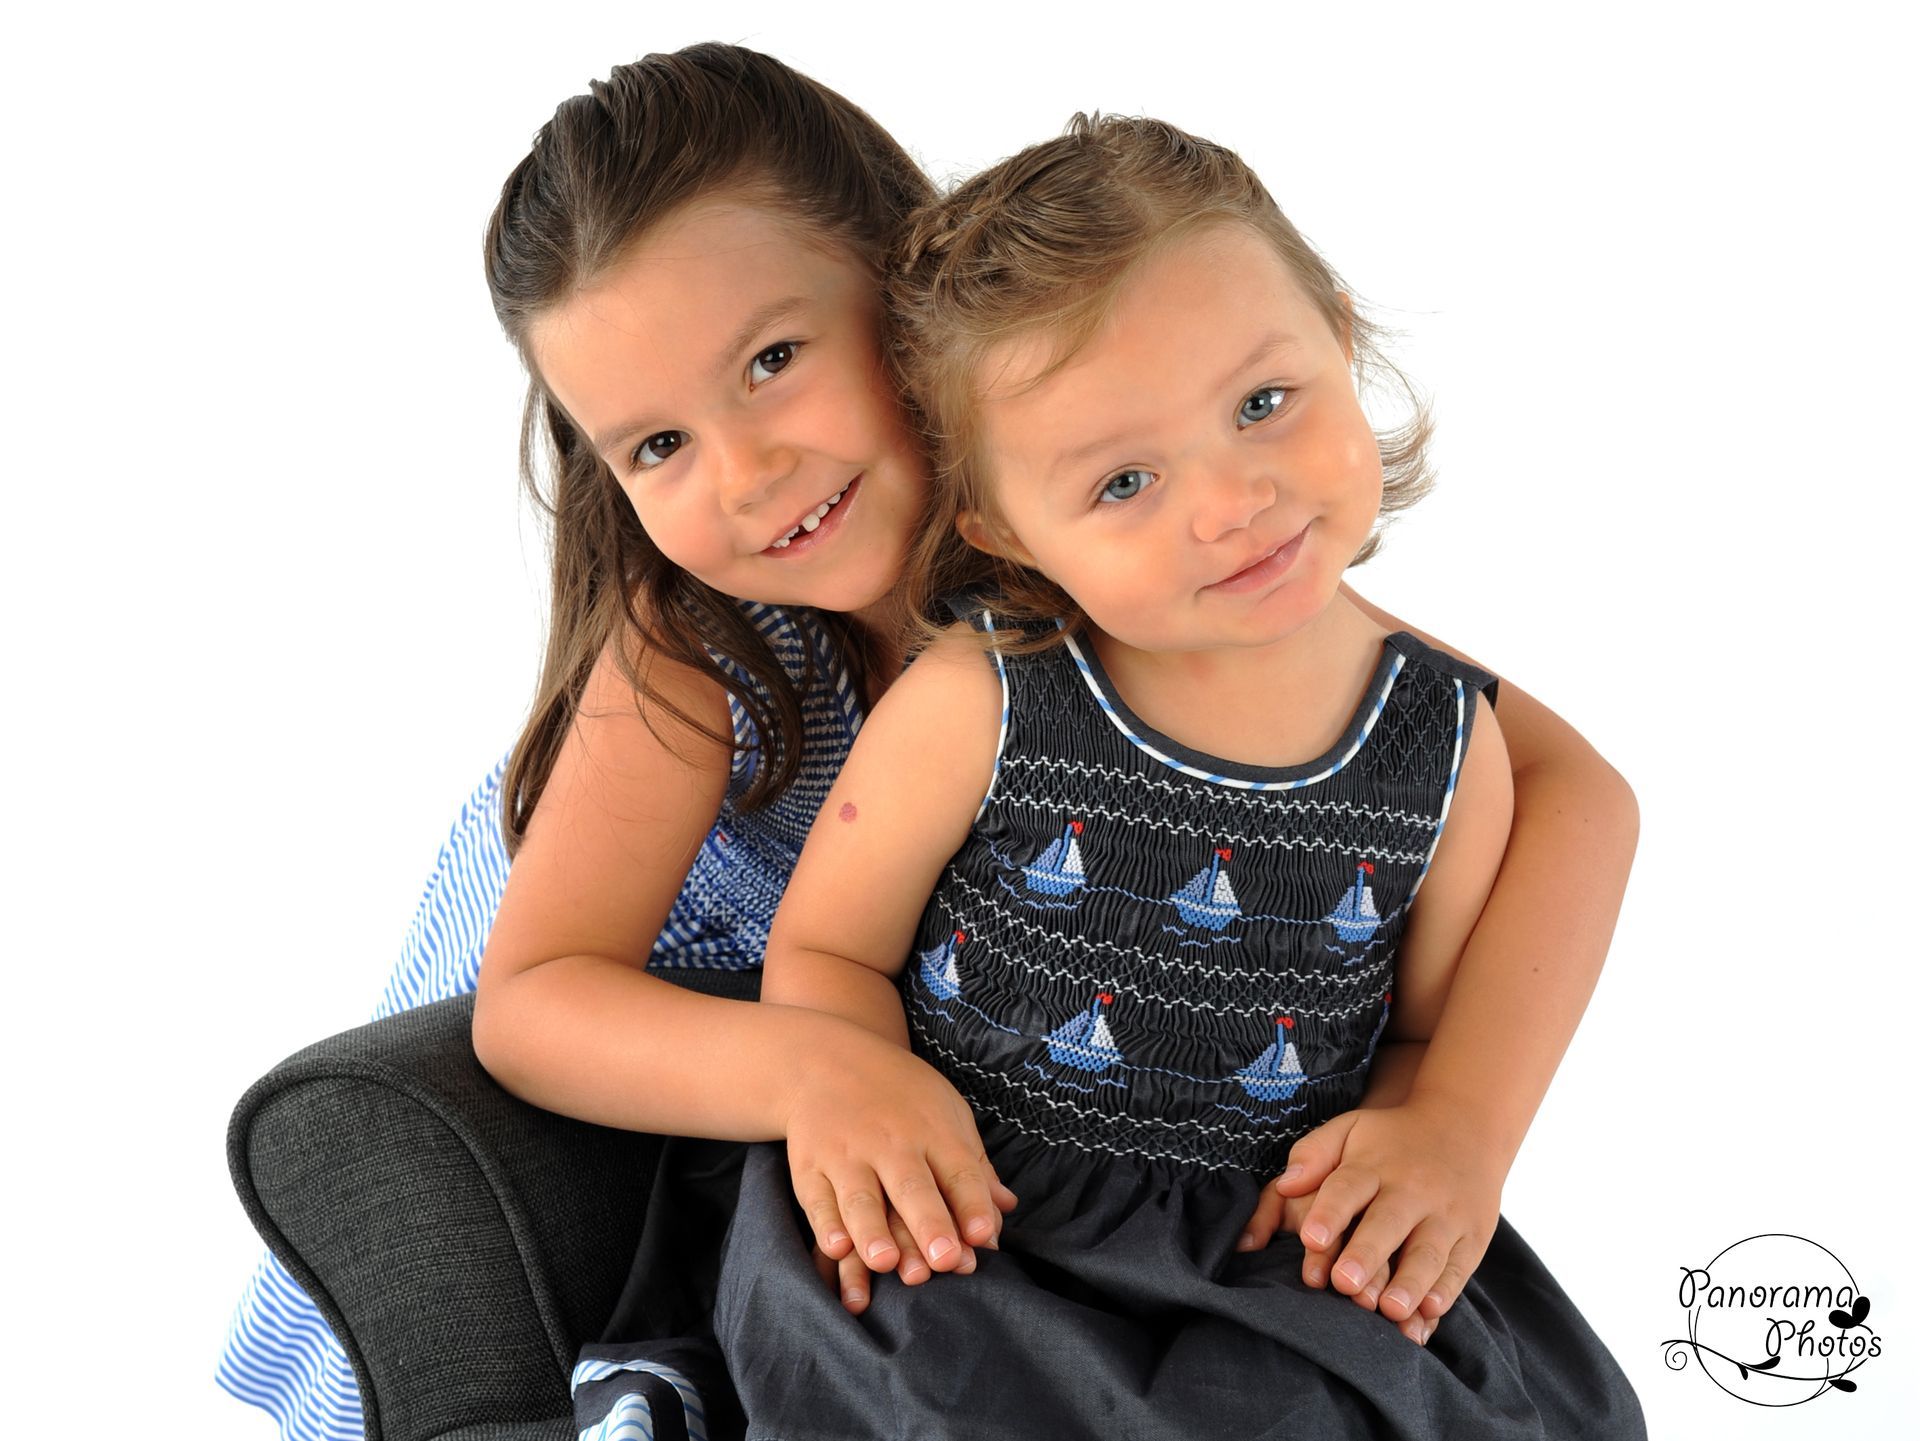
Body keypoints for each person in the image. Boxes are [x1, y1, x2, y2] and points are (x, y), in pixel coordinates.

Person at [219, 45, 1638, 1441]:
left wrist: (1462, 1120)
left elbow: (1566, 784)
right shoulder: (704, 642)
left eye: (773, 360)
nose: (747, 472)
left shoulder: (1136, 565)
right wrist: (817, 1069)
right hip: (646, 1103)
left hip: (994, 1128)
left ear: (909, 303)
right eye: (656, 446)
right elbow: (531, 1003)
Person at [710, 113, 1645, 1439]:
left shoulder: (1444, 751)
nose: (1230, 502)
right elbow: (826, 950)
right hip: (979, 1224)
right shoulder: (985, 699)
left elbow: (1416, 1038)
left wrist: (1429, 1140)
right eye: (1126, 481)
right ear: (1002, 526)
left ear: (1336, 335)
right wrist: (863, 1103)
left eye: (1262, 404)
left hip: (1259, 1254)